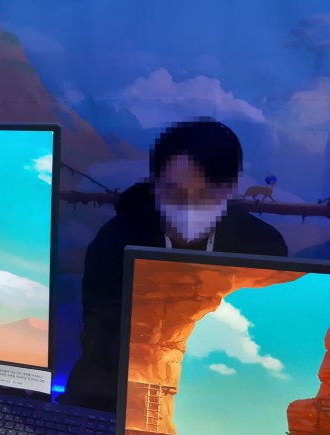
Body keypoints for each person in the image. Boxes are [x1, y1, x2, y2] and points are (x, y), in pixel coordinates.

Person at [57, 117, 287, 411]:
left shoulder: (263, 248)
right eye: (175, 192)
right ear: (155, 184)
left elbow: (266, 338)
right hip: (118, 385)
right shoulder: (117, 238)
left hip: (217, 389)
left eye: (205, 195)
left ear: (230, 188)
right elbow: (99, 336)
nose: (189, 206)